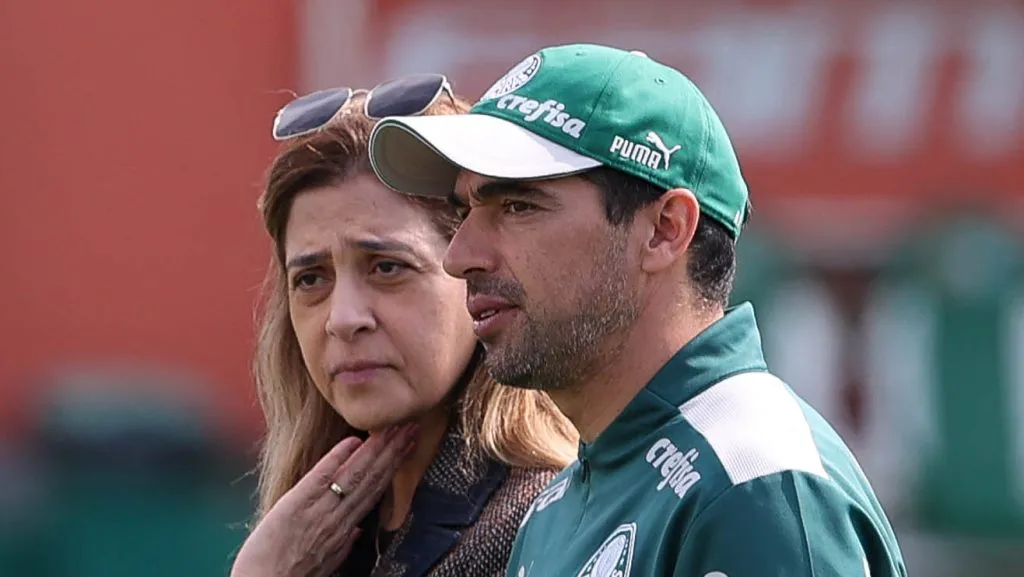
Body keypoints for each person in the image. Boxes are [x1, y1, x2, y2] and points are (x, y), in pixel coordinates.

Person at [367, 45, 909, 576]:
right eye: (465, 210)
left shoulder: (756, 487)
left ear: (664, 231)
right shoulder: (557, 505)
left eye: (517, 205)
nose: (459, 256)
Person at [230, 74, 577, 577]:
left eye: (387, 268)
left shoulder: (539, 526)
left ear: (475, 273)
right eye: (311, 279)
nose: (344, 319)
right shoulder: (304, 537)